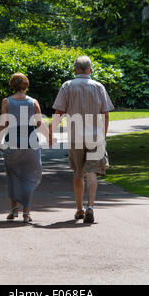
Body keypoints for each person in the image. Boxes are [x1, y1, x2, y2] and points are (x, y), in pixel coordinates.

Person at [49, 56, 114, 223]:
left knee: (78, 173)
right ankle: (90, 206)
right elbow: (105, 114)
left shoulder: (67, 86)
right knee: (92, 172)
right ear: (90, 70)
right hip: (95, 137)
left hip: (75, 136)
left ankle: (79, 209)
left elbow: (59, 112)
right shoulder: (99, 87)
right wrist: (104, 135)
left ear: (75, 70)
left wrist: (51, 132)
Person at [0, 73, 45, 223]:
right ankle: (27, 213)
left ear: (12, 85)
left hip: (12, 142)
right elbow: (39, 124)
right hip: (31, 143)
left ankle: (13, 209)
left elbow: (3, 125)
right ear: (26, 85)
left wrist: (0, 142)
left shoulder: (6, 102)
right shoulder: (34, 102)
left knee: (13, 176)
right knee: (28, 177)